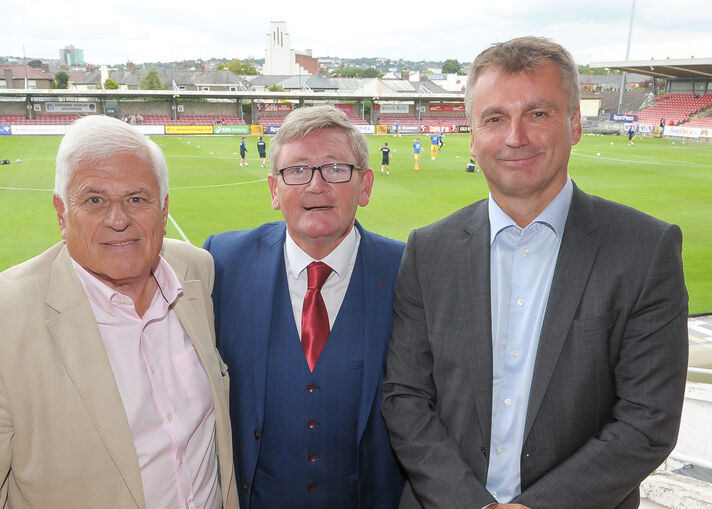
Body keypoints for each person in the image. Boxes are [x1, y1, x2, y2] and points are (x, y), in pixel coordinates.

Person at [382, 36, 688, 509]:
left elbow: (648, 421)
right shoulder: (429, 249)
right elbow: (405, 398)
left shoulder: (645, 249)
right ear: (473, 132)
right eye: (495, 118)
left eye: (538, 114)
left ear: (576, 124)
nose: (515, 137)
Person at [0, 115, 238, 509]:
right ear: (60, 212)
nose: (118, 220)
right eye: (94, 200)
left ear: (164, 208)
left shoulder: (195, 271)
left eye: (137, 199)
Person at [204, 105, 405, 509]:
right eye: (296, 170)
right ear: (273, 190)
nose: (316, 186)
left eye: (335, 168)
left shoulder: (408, 271)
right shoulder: (221, 262)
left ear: (364, 186)